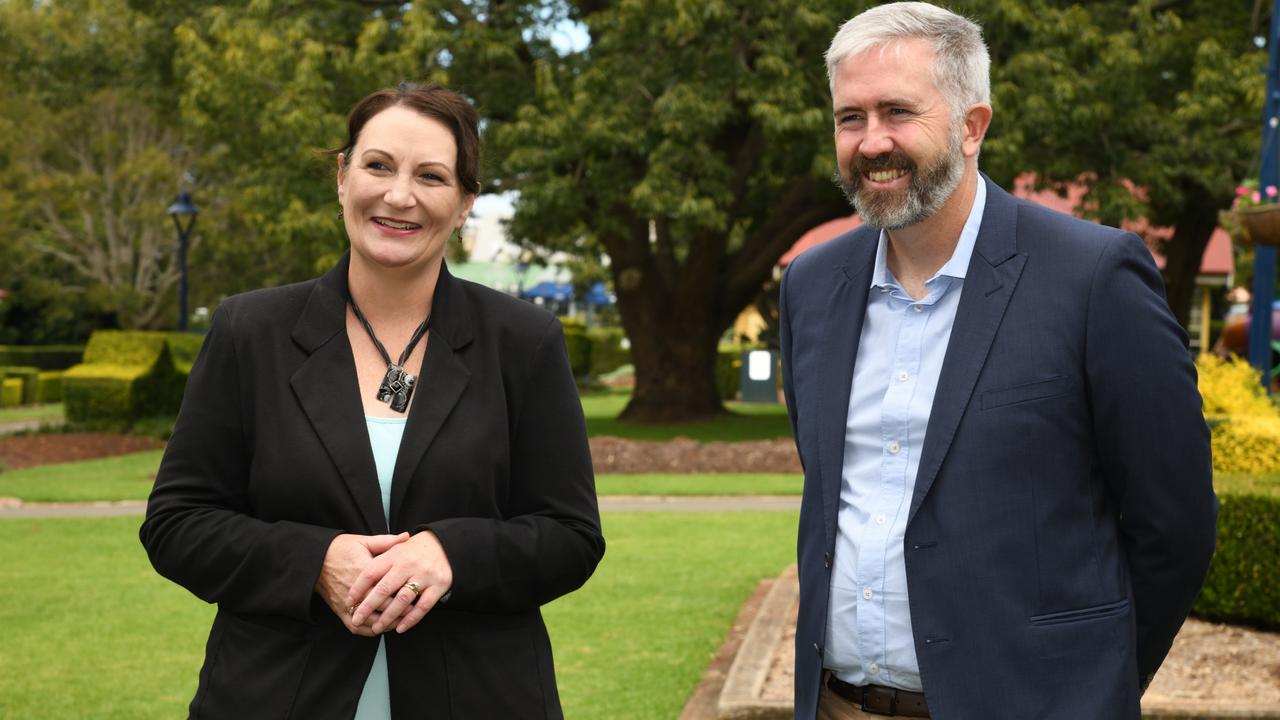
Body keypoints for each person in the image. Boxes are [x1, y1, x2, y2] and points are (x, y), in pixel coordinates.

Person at [779, 4, 1216, 718]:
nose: (871, 141)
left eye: (897, 111)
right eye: (849, 118)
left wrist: (1090, 688)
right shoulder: (810, 285)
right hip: (836, 706)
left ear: (972, 126)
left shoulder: (1092, 277)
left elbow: (1177, 523)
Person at [140, 82, 605, 719]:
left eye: (432, 176)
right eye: (378, 165)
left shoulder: (524, 342)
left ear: (466, 203)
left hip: (479, 697)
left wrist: (450, 555)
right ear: (342, 176)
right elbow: (177, 523)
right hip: (275, 696)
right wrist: (313, 563)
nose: (399, 195)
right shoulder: (249, 332)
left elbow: (570, 535)